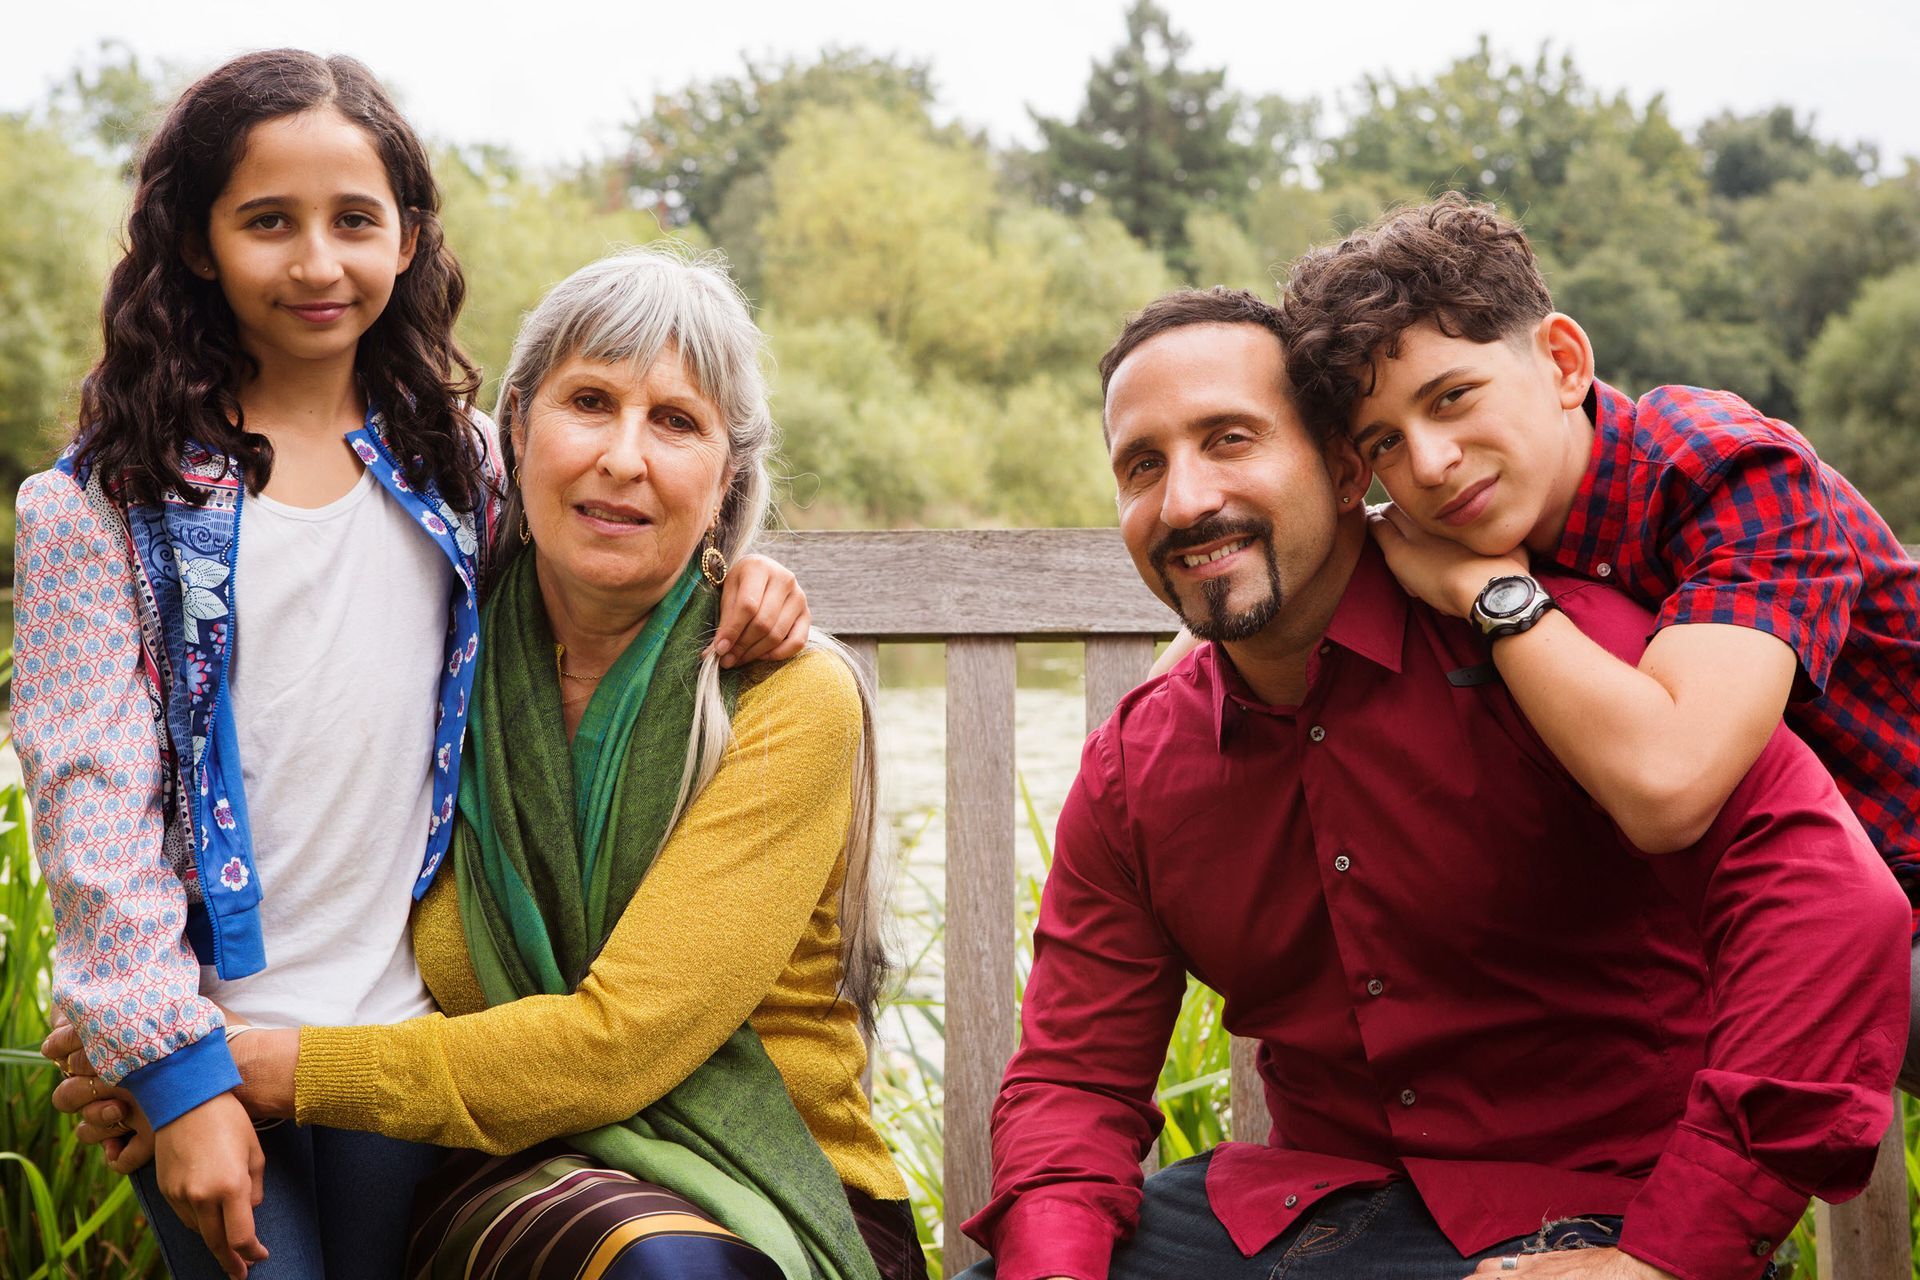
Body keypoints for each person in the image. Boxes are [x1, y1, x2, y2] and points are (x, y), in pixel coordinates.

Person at [17, 51, 807, 1280]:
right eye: (268, 221)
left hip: (409, 1032)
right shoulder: (99, 507)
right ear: (193, 238)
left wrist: (747, 577)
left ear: (410, 238)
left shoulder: (458, 471)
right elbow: (88, 813)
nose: (318, 262)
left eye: (355, 221)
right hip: (212, 1044)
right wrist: (167, 1066)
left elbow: (620, 527)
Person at [957, 288, 1908, 1280]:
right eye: (1141, 466)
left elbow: (1828, 906)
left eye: (1229, 438)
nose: (1185, 499)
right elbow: (1074, 1080)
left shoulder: (1556, 654)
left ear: (1341, 469)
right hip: (1278, 1216)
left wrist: (1674, 1255)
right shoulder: (1138, 763)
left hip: (1575, 1220)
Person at [1156, 196, 1920, 1081]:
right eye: (1385, 443)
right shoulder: (1440, 520)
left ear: (1562, 362)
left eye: (1453, 398)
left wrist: (1495, 595)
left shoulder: (1725, 470)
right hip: (1751, 935)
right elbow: (1227, 642)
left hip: (1888, 919)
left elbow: (1667, 788)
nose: (1431, 464)